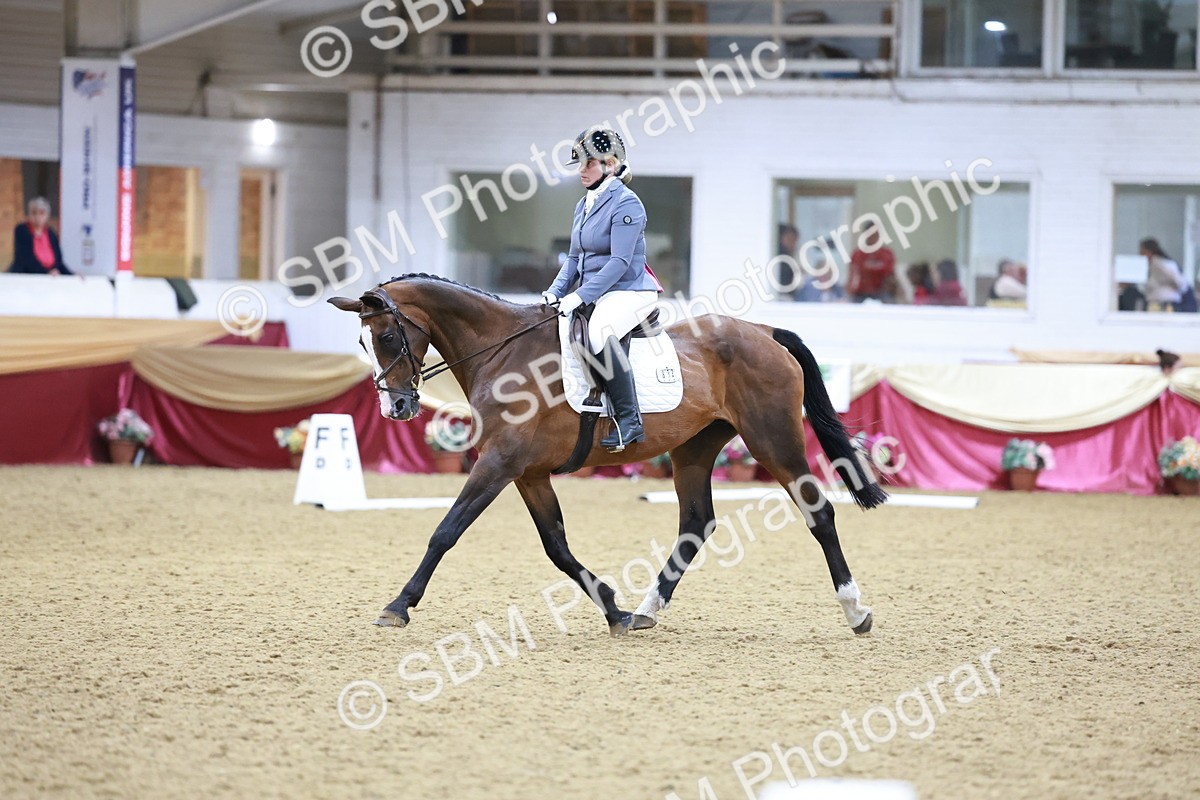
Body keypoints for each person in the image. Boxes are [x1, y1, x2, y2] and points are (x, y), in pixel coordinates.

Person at [539, 128, 661, 452]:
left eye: (589, 163)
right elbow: (574, 258)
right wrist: (554, 292)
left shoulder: (627, 203)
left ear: (610, 164)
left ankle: (630, 420)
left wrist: (579, 296)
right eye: (580, 163)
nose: (581, 170)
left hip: (630, 290)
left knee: (599, 331)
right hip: (600, 291)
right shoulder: (583, 204)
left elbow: (620, 262)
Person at [8, 197, 72, 275]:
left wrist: (72, 275)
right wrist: (46, 272)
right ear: (29, 215)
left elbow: (58, 262)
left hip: (50, 277)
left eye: (42, 213)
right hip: (26, 276)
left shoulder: (51, 234)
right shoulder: (22, 230)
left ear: (47, 216)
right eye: (34, 213)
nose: (37, 217)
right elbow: (26, 258)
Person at [846, 221, 894, 302]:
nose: (874, 237)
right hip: (860, 294)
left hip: (881, 294)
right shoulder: (857, 254)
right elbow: (853, 276)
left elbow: (890, 276)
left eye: (876, 234)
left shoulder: (887, 254)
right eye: (871, 234)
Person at [1140, 238, 1186, 311]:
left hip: (1165, 303)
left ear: (1149, 251)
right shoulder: (1153, 265)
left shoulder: (1160, 264)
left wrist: (1178, 287)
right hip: (1155, 303)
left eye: (1143, 252)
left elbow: (1180, 281)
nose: (1141, 255)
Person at [775, 224, 800, 299]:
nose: (793, 244)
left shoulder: (789, 257)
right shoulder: (780, 257)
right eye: (790, 239)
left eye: (794, 240)